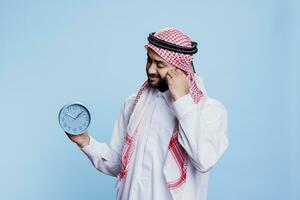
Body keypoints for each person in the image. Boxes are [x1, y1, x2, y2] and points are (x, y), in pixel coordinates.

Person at [65, 27, 229, 200]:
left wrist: (183, 102)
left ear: (180, 69)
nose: (151, 70)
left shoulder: (210, 110)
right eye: (149, 60)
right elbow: (118, 164)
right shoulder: (133, 104)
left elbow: (204, 160)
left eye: (160, 64)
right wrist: (85, 142)